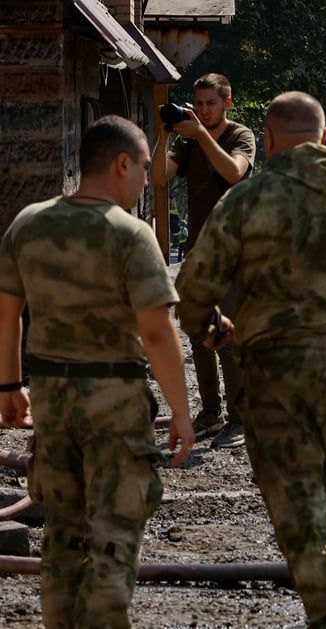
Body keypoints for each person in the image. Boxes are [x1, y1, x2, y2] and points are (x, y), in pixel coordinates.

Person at [176, 91, 326, 628]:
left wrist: (214, 331)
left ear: (266, 141)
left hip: (277, 372)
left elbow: (192, 288)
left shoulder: (246, 199)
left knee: (302, 518)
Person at [0, 116, 194, 628]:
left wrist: (9, 384)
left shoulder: (28, 223)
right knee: (113, 538)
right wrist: (181, 411)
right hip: (114, 401)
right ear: (121, 164)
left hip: (52, 399)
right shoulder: (131, 235)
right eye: (144, 168)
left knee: (62, 537)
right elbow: (156, 333)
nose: (147, 179)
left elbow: (7, 313)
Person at [153, 72, 255, 449]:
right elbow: (159, 177)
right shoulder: (189, 140)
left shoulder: (240, 136)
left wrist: (200, 135)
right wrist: (165, 132)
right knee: (199, 335)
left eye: (210, 104)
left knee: (225, 337)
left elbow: (233, 171)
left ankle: (240, 418)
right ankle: (210, 412)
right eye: (198, 104)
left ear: (227, 103)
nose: (203, 111)